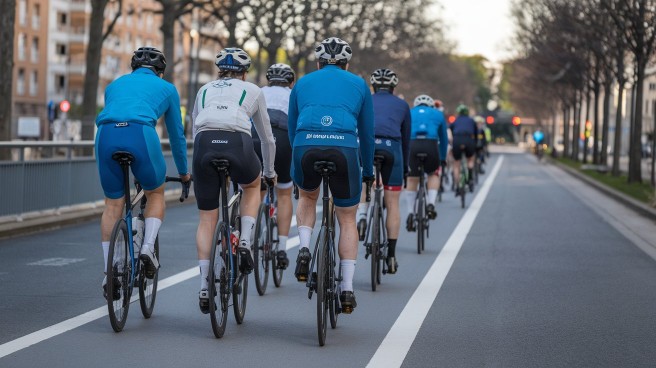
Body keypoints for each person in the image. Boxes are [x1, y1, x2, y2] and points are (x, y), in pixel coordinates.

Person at [95, 47, 191, 298]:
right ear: (160, 72)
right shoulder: (168, 88)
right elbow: (176, 135)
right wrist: (183, 173)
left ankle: (109, 271)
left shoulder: (114, 85)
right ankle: (147, 247)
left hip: (105, 135)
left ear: (133, 68)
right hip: (140, 133)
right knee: (155, 192)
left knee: (113, 204)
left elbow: (117, 112)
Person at [288, 37, 374, 312]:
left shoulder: (302, 82)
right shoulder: (360, 84)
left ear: (318, 62)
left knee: (308, 196)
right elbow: (367, 133)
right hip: (344, 148)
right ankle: (347, 289)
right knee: (347, 218)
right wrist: (368, 171)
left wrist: (296, 162)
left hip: (306, 146)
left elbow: (292, 128)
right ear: (347, 64)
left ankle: (303, 247)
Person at [191, 47, 276, 314]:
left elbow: (195, 127)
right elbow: (266, 138)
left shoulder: (204, 89)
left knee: (207, 218)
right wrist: (270, 173)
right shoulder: (253, 90)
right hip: (237, 143)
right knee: (252, 185)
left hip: (204, 144)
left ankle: (205, 285)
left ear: (219, 71)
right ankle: (246, 241)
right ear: (244, 72)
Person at [355, 68, 411, 274]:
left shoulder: (364, 100)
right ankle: (391, 255)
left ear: (373, 86)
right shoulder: (403, 105)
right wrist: (404, 170)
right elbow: (406, 141)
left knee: (364, 179)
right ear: (393, 87)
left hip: (366, 145)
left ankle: (362, 215)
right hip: (392, 148)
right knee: (392, 202)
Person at [252, 63, 296, 269]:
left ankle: (251, 236)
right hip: (284, 137)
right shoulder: (294, 94)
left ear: (268, 80)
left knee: (255, 189)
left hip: (257, 136)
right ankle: (282, 249)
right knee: (285, 193)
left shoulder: (258, 91)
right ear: (291, 82)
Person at [403, 94, 448, 230]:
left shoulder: (409, 112)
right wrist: (442, 159)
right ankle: (431, 203)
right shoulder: (437, 113)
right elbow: (444, 139)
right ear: (431, 105)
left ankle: (411, 213)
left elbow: (403, 135)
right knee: (433, 173)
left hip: (413, 144)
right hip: (431, 145)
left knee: (412, 178)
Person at [450, 104, 477, 194]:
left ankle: (457, 185)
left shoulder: (455, 120)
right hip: (469, 140)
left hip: (457, 140)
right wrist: (475, 144)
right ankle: (469, 175)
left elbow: (451, 130)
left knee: (456, 164)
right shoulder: (471, 120)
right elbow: (475, 133)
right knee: (471, 158)